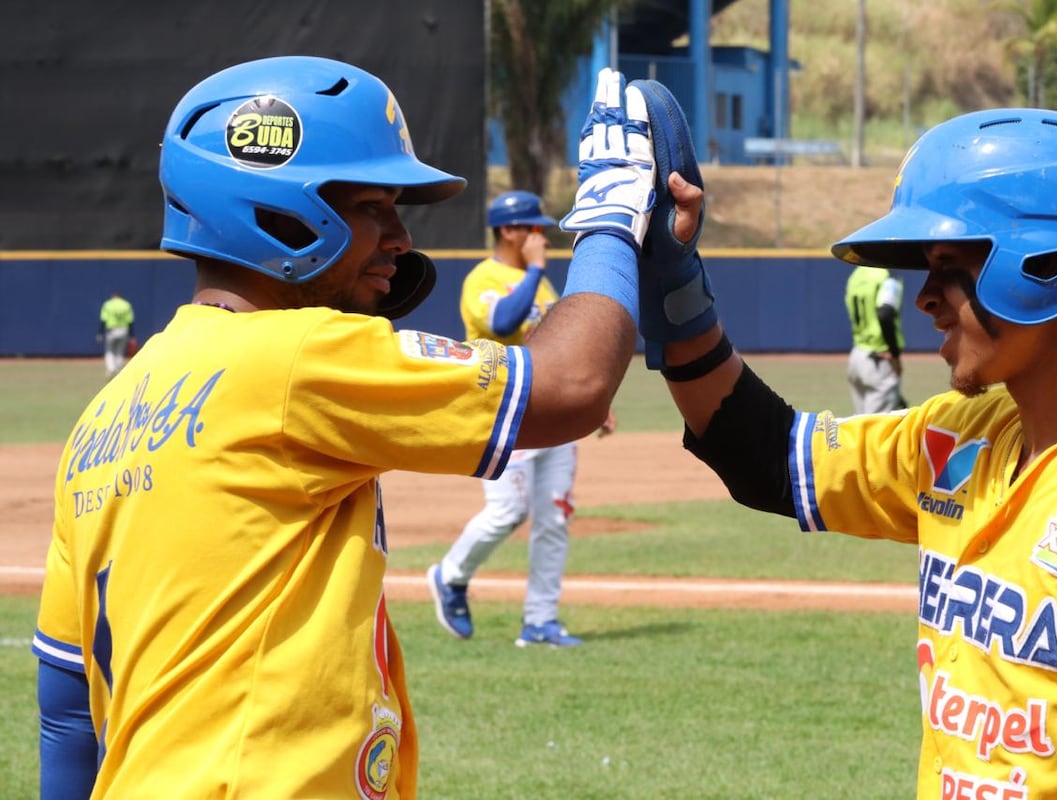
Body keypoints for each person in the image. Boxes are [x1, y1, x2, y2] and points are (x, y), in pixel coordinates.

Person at [30, 60, 661, 800]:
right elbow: (573, 387)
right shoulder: (295, 354)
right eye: (372, 207)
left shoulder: (106, 414)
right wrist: (612, 217)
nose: (400, 236)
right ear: (276, 210)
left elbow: (67, 707)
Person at [633, 98, 1057, 798]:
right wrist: (673, 280)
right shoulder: (960, 435)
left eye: (949, 264)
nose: (925, 297)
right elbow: (766, 457)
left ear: (1051, 265)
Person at [426, 191, 616, 648]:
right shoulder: (483, 278)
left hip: (552, 414)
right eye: (534, 228)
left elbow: (559, 351)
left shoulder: (544, 287)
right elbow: (503, 322)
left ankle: (540, 622)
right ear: (509, 231)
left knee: (554, 517)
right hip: (505, 412)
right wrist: (533, 270)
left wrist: (591, 404)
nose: (541, 236)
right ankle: (450, 575)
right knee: (508, 511)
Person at [844, 265, 906, 413]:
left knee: (860, 423)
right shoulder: (887, 276)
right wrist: (895, 355)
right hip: (879, 358)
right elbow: (885, 313)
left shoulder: (857, 274)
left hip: (857, 356)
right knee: (877, 425)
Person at [96, 291, 135, 378]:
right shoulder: (126, 304)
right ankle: (118, 370)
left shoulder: (108, 304)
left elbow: (103, 320)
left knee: (109, 351)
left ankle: (111, 368)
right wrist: (132, 336)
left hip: (112, 330)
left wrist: (100, 333)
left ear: (113, 297)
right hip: (123, 330)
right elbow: (130, 321)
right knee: (120, 352)